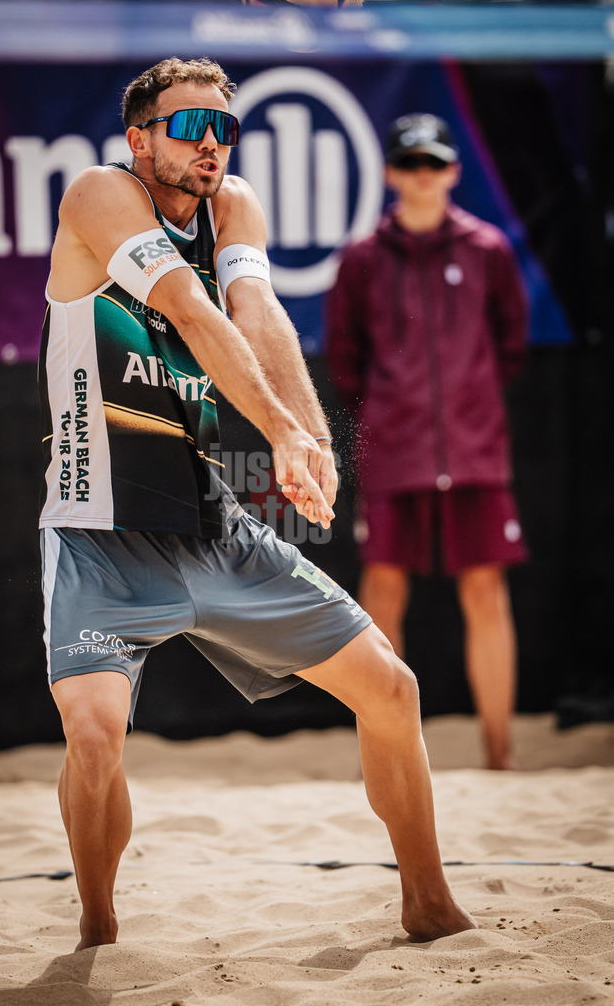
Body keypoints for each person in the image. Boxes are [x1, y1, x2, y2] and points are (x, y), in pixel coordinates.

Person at [38, 61, 475, 951]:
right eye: (189, 124)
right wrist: (276, 432)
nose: (208, 142)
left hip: (210, 525)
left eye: (223, 128)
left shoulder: (231, 206)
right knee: (94, 737)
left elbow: (257, 309)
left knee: (392, 689)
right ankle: (97, 929)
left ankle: (428, 900)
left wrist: (309, 439)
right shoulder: (98, 194)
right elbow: (194, 312)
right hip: (98, 530)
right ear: (139, 138)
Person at [326, 113, 528, 772]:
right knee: (381, 591)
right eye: (410, 163)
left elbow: (509, 345)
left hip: (473, 451)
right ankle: (385, 757)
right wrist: (399, 412)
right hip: (396, 452)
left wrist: (462, 408)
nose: (422, 176)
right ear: (389, 172)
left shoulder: (486, 249)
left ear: (452, 171)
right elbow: (345, 361)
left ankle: (498, 758)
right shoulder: (359, 260)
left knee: (485, 591)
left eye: (433, 163)